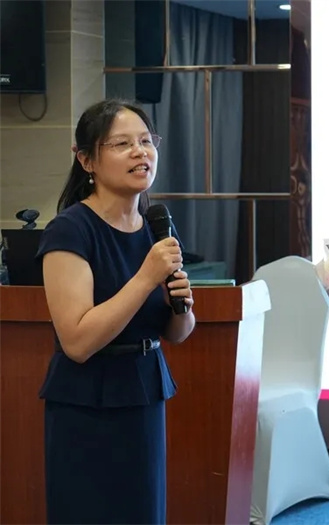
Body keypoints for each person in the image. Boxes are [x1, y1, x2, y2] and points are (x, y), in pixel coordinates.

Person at [36, 99, 196, 524]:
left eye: (146, 141)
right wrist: (145, 278)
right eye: (122, 144)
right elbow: (77, 341)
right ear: (87, 160)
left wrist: (182, 306)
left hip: (144, 391)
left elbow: (177, 332)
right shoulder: (70, 230)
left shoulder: (157, 227)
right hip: (87, 403)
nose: (140, 152)